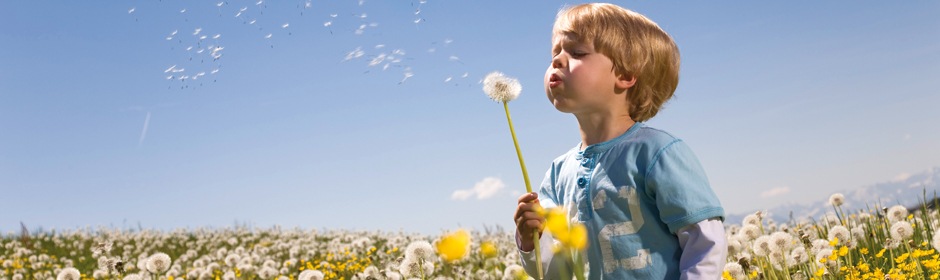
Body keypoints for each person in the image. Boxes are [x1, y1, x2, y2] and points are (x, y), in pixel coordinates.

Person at [513, 3, 727, 279]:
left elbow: (705, 245)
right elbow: (559, 273)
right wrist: (532, 242)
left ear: (625, 76)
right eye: (555, 52)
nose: (557, 60)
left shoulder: (657, 153)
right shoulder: (557, 174)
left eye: (577, 52)